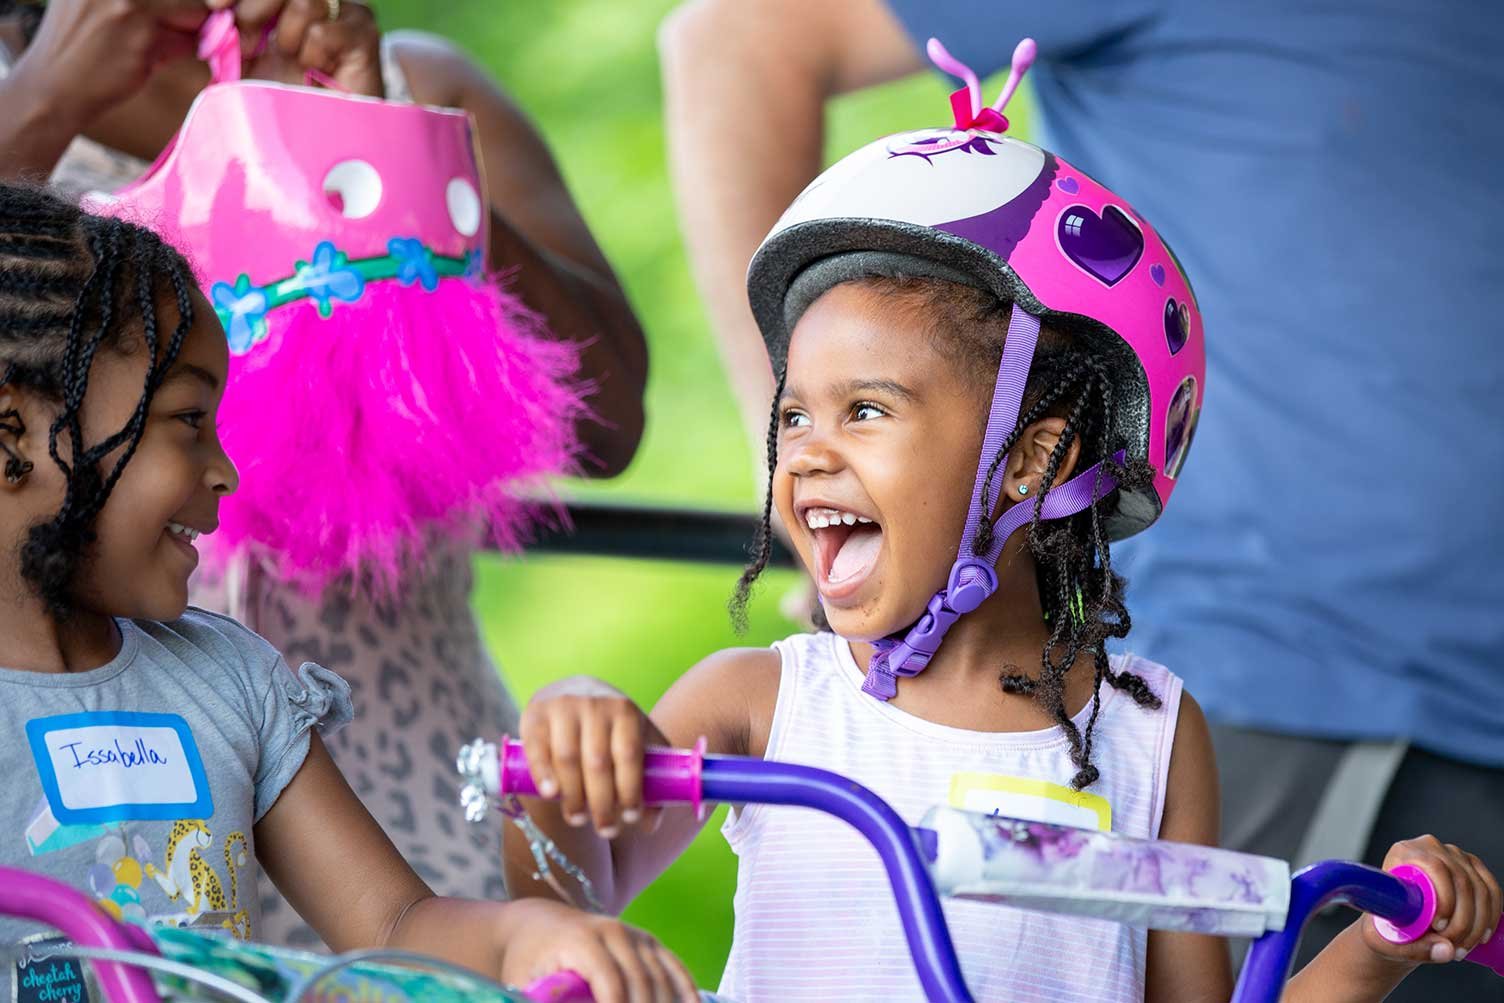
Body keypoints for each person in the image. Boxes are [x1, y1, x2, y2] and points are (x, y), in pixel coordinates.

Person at [503, 66, 1501, 1000]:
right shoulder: (763, 704)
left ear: (1032, 459)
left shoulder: (1151, 735)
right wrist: (573, 742)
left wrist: (1376, 950)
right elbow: (550, 903)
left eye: (864, 410)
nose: (803, 452)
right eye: (794, 414)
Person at [0, 0, 649, 946]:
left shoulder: (416, 86)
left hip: (404, 799)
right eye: (189, 420)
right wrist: (42, 100)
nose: (219, 473)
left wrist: (384, 145)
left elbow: (606, 418)